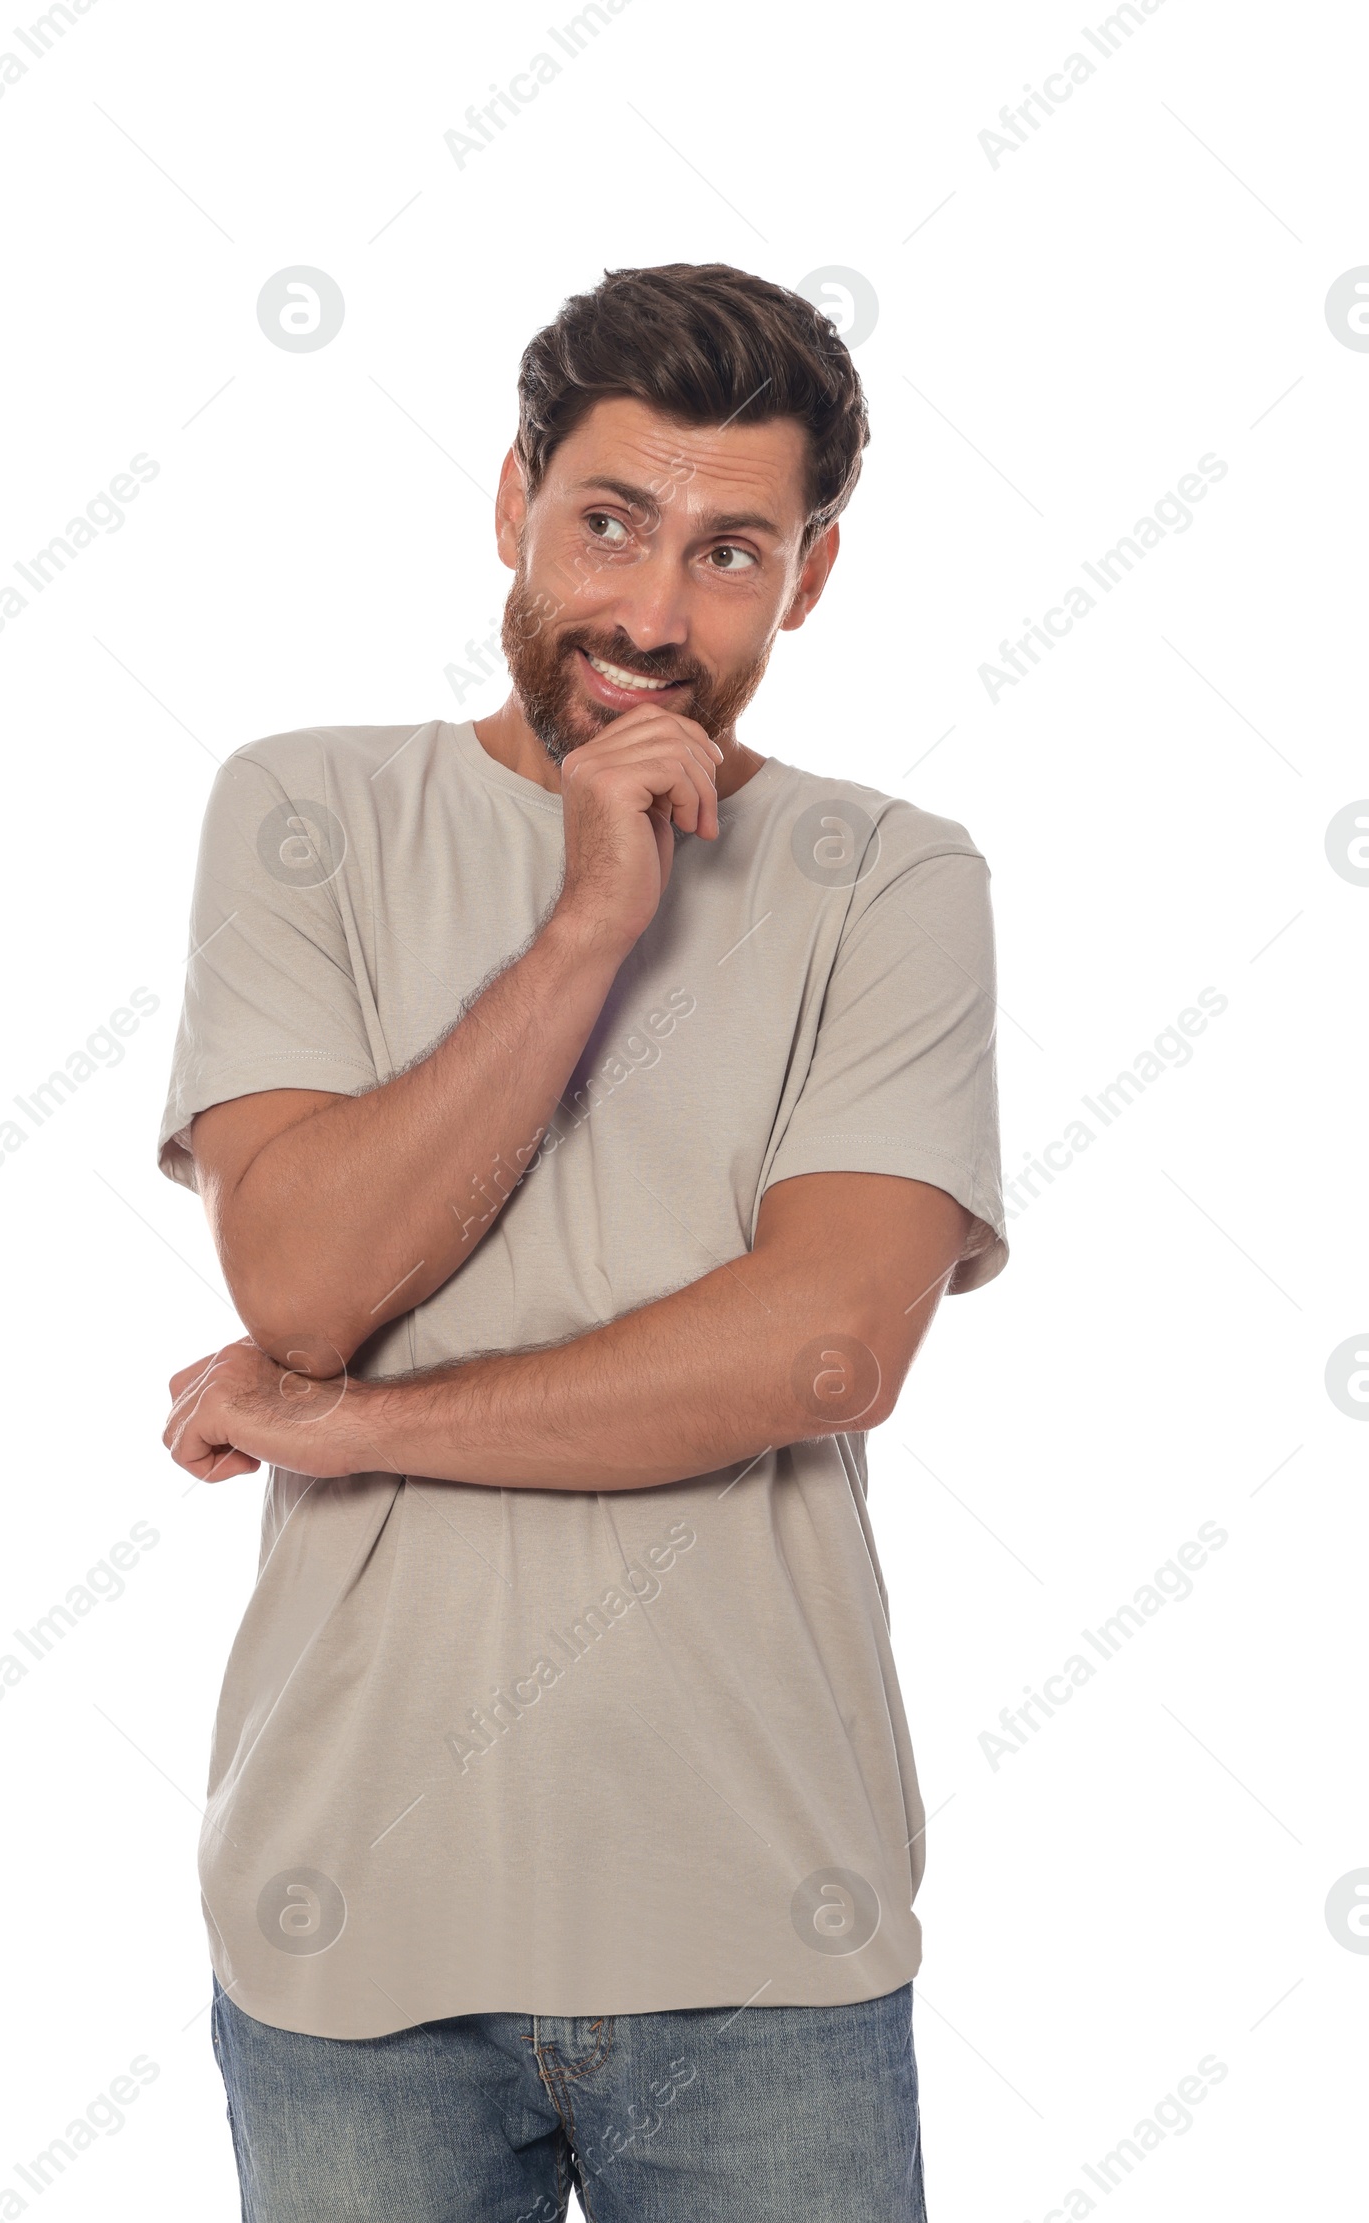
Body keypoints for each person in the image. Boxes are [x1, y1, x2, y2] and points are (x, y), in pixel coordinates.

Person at [158, 261, 1007, 2222]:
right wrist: (582, 926)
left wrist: (354, 1424)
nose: (648, 612)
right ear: (510, 499)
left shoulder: (888, 879)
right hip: (346, 1916)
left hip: (761, 1942)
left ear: (804, 580)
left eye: (729, 550)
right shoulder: (304, 813)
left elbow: (817, 1353)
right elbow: (299, 1284)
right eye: (607, 520)